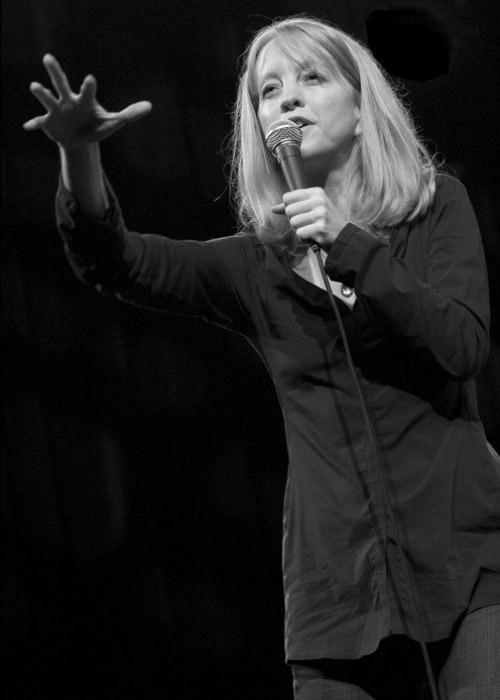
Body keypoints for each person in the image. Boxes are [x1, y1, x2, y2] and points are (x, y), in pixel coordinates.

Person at [24, 15, 499, 700]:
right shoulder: (256, 267)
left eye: (311, 78)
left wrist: (349, 243)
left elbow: (461, 346)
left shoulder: (433, 208)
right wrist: (80, 156)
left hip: (467, 563)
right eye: (269, 90)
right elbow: (119, 264)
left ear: (363, 108)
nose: (289, 98)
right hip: (337, 592)